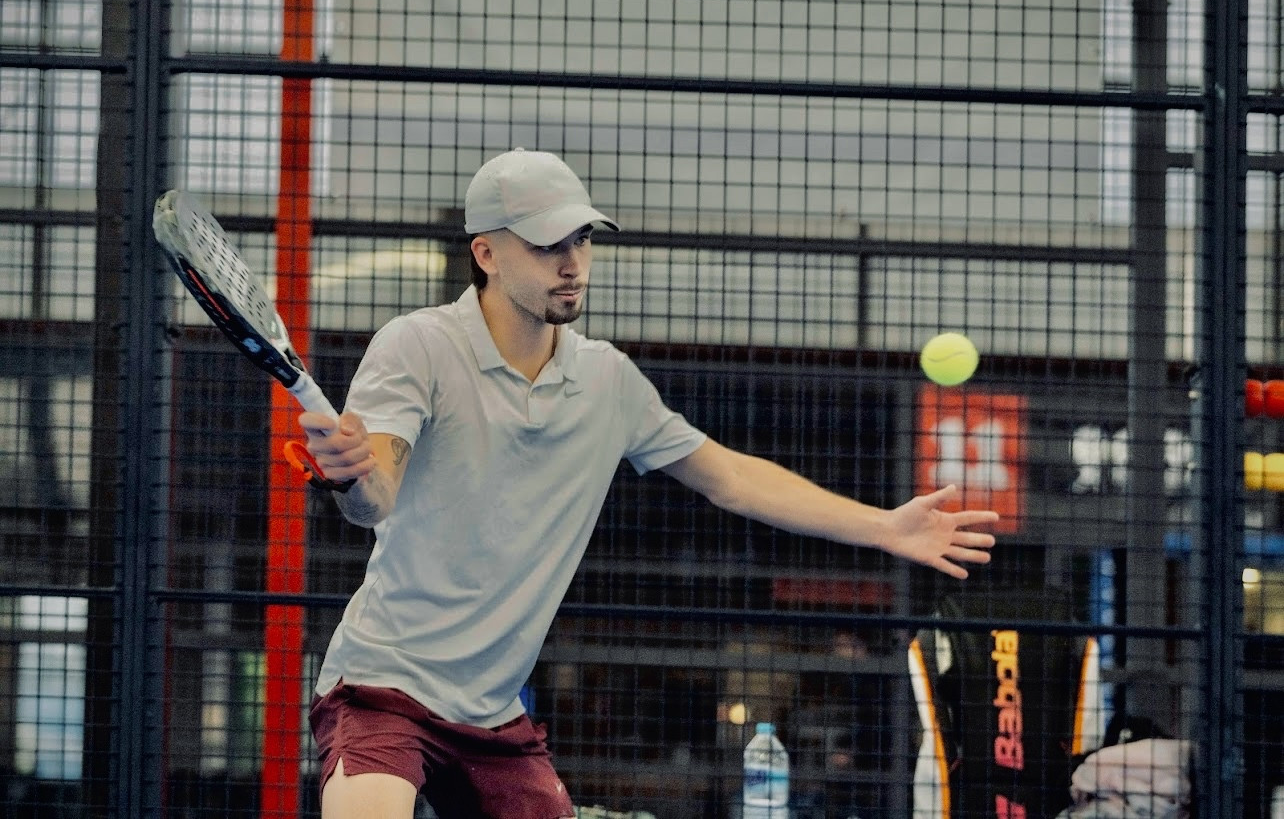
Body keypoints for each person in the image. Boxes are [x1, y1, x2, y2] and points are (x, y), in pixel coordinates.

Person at [297, 148, 1002, 819]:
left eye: (581, 240)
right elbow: (374, 497)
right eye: (546, 245)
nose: (572, 264)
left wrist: (884, 525)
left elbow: (731, 477)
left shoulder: (607, 381)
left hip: (490, 712)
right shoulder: (417, 346)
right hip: (383, 685)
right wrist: (351, 478)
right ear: (486, 253)